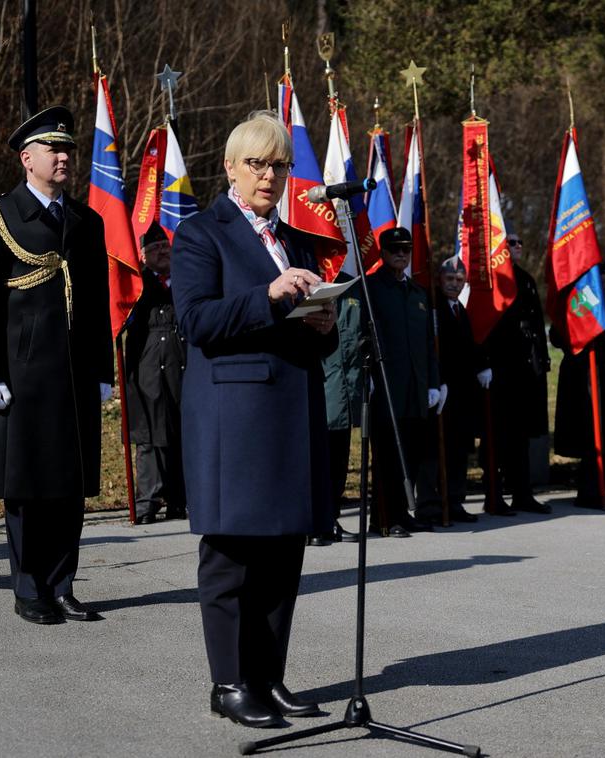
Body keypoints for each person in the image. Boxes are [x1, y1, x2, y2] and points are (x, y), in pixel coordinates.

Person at [172, 111, 337, 728]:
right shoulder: (199, 234)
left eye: (279, 166)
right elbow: (197, 321)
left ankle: (269, 675)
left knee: (282, 553)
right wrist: (268, 297)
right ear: (231, 167)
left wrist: (323, 323)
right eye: (257, 165)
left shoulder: (294, 240)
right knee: (233, 553)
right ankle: (230, 683)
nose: (269, 176)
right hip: (233, 418)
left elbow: (306, 334)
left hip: (291, 409)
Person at [0, 106, 113, 625]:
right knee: (26, 486)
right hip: (22, 378)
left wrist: (102, 371)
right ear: (28, 159)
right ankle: (29, 588)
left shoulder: (86, 222)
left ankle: (62, 583)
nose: (64, 157)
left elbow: (96, 305)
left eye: (68, 149)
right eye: (53, 149)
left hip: (72, 378)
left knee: (69, 487)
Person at [364, 227, 442, 537]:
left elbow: (427, 344)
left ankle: (402, 514)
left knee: (409, 453)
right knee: (387, 456)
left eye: (406, 249)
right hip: (386, 386)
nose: (401, 254)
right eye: (394, 249)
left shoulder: (418, 293)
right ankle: (385, 517)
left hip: (415, 387)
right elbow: (363, 336)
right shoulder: (372, 289)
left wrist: (434, 383)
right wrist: (367, 376)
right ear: (382, 252)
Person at [551, 269, 605, 509]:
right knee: (590, 438)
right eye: (603, 282)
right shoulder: (583, 304)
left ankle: (602, 487)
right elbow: (558, 336)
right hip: (586, 382)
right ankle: (588, 492)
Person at [482, 233, 551, 515]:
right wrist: (484, 362)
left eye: (521, 241)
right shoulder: (490, 279)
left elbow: (536, 322)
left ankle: (522, 493)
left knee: (521, 434)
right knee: (496, 435)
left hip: (525, 367)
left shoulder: (525, 278)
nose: (518, 246)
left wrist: (541, 358)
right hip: (500, 367)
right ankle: (493, 494)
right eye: (511, 242)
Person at [124, 222, 187, 524]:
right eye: (155, 248)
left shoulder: (186, 280)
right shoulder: (136, 284)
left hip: (181, 361)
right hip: (146, 364)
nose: (163, 252)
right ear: (143, 255)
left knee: (181, 431)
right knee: (149, 434)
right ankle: (148, 500)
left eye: (165, 246)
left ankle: (179, 498)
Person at [416, 256, 485, 524]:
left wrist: (482, 365)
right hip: (439, 391)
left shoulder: (460, 310)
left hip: (461, 395)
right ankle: (429, 504)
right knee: (432, 451)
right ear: (439, 279)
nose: (454, 284)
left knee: (457, 451)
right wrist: (437, 381)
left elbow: (467, 347)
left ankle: (454, 501)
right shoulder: (432, 307)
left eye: (459, 280)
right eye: (449, 279)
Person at [317, 268, 364, 545]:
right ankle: (314, 525)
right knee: (316, 462)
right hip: (320, 385)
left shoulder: (350, 284)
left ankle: (330, 520)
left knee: (338, 461)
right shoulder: (308, 276)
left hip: (346, 388)